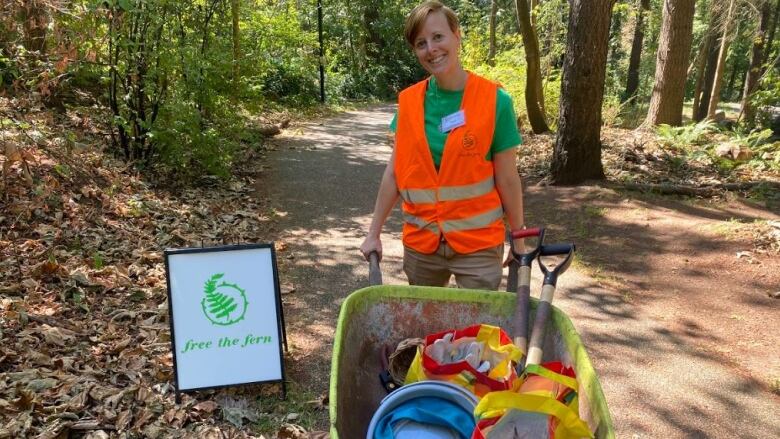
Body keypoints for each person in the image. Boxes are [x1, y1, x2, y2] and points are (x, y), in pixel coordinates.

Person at [359, 0, 526, 291]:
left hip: (478, 245)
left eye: (438, 37)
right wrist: (374, 232)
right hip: (422, 244)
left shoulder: (495, 101)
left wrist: (519, 236)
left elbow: (508, 178)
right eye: (421, 43)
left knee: (477, 330)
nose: (431, 49)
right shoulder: (409, 103)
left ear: (456, 36)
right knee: (426, 331)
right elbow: (395, 173)